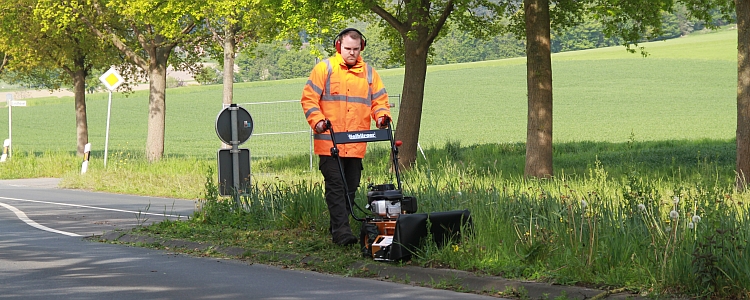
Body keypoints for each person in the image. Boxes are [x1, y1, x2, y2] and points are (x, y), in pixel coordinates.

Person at [301, 28, 391, 246]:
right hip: (329, 143)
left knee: (350, 187)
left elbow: (380, 102)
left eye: (356, 49)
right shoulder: (325, 69)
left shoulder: (369, 73)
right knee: (336, 185)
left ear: (362, 48)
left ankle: (337, 226)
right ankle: (342, 233)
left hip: (356, 143)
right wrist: (319, 122)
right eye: (348, 49)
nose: (352, 53)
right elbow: (309, 99)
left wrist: (382, 117)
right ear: (338, 46)